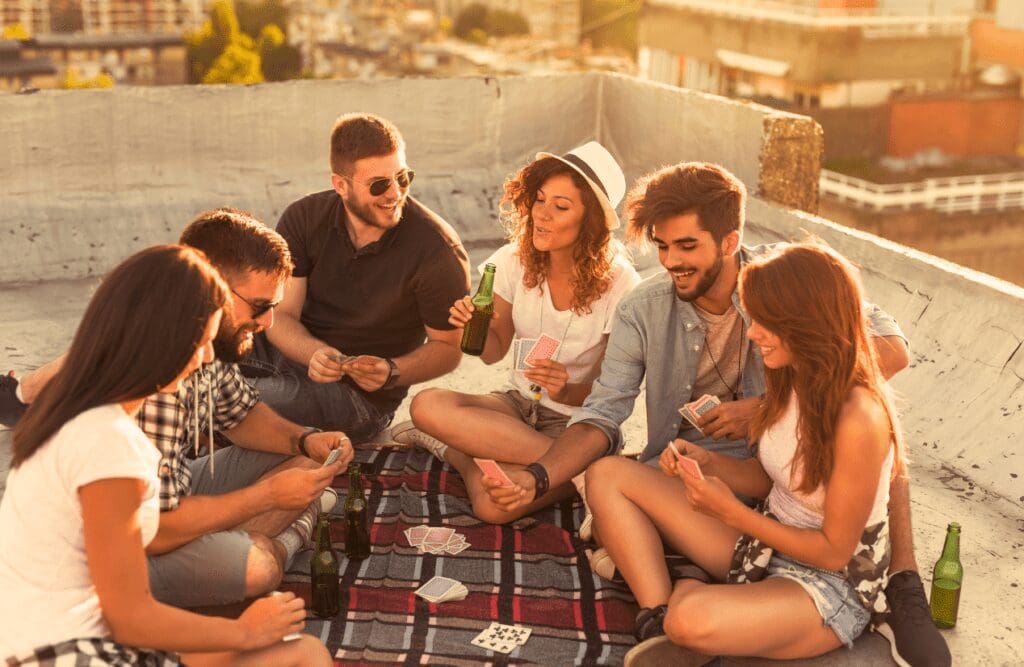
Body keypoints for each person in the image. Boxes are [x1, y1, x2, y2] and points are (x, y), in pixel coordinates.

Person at [483, 163, 949, 667]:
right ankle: (657, 617)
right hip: (751, 499)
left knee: (885, 446)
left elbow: (885, 351)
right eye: (662, 246)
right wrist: (538, 477)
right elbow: (604, 410)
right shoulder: (646, 307)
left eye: (687, 246)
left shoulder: (785, 284)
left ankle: (901, 583)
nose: (670, 261)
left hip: (800, 536)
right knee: (608, 477)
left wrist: (766, 408)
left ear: (729, 242)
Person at [2, 209, 354, 609]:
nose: (269, 321)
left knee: (306, 462)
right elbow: (150, 531)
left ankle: (239, 545)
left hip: (158, 505)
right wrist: (266, 497)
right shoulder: (157, 374)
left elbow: (240, 415)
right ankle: (282, 538)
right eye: (259, 307)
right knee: (260, 567)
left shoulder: (206, 334)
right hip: (103, 559)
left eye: (275, 305)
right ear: (211, 286)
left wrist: (304, 439)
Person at [588, 243, 901, 664]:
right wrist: (708, 463)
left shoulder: (859, 417)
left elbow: (834, 551)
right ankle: (658, 615)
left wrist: (732, 514)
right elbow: (771, 479)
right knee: (607, 474)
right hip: (764, 544)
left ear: (806, 322)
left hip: (830, 580)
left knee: (692, 620)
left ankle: (692, 610)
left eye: (765, 322)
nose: (753, 333)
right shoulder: (791, 378)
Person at [392, 142, 641, 523]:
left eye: (560, 207)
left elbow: (612, 391)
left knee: (492, 506)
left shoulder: (622, 285)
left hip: (575, 424)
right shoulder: (511, 262)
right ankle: (579, 472)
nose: (542, 215)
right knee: (426, 404)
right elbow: (493, 352)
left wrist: (565, 389)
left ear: (589, 221)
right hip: (516, 408)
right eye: (539, 200)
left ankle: (460, 450)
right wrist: (466, 327)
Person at [245, 112, 470, 441]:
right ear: (341, 185)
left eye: (403, 178)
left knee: (235, 402)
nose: (395, 193)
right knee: (185, 366)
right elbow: (283, 313)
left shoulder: (437, 250)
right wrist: (314, 353)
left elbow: (448, 349)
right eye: (379, 184)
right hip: (288, 353)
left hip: (359, 399)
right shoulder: (304, 217)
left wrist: (393, 371)